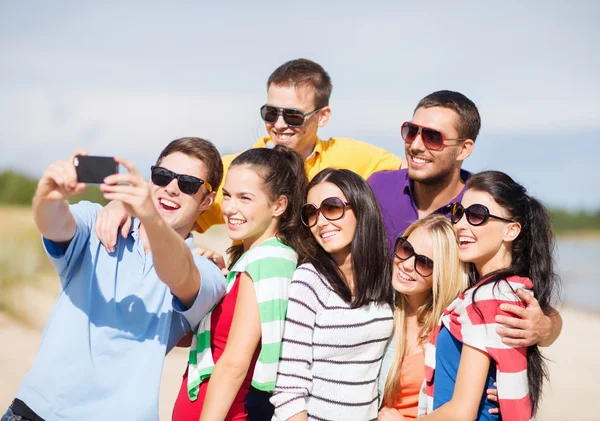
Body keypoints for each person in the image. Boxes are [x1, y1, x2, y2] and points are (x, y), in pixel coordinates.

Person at [1, 138, 227, 421]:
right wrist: (50, 196)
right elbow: (55, 224)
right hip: (37, 413)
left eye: (188, 184)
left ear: (206, 200)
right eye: (163, 176)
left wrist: (147, 215)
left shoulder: (206, 270)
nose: (171, 188)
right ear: (151, 179)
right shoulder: (97, 220)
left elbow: (179, 274)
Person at [95, 58, 403, 248]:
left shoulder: (354, 156)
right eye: (271, 113)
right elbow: (173, 204)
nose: (279, 125)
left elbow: (416, 176)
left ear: (322, 117)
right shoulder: (236, 170)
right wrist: (123, 205)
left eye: (293, 116)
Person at [368, 90, 562, 350]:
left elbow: (534, 301)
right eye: (411, 131)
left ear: (464, 149)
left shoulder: (484, 209)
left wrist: (545, 328)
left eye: (433, 137)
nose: (415, 145)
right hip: (382, 353)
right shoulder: (378, 187)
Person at [171, 146, 311, 421]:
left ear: (279, 205)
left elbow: (235, 364)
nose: (230, 208)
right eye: (227, 196)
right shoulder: (253, 260)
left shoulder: (267, 260)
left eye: (245, 198)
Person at [416, 170, 561, 421]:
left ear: (511, 231)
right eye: (459, 213)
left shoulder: (488, 297)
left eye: (476, 216)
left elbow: (461, 413)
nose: (460, 225)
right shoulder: (511, 289)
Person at [271, 168, 394, 421]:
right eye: (311, 213)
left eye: (332, 207)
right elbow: (289, 385)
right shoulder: (310, 279)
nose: (321, 221)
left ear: (361, 208)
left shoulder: (385, 278)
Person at [378, 214, 470, 420]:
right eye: (405, 249)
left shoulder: (452, 331)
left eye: (424, 263)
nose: (407, 264)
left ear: (443, 273)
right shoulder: (379, 311)